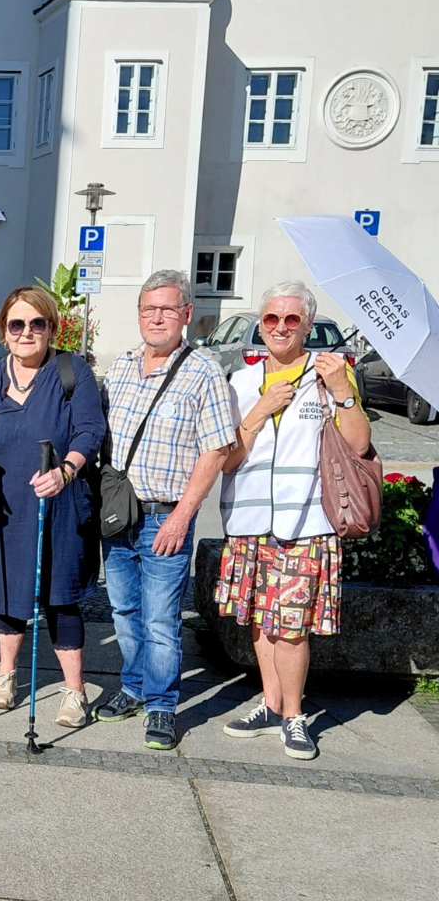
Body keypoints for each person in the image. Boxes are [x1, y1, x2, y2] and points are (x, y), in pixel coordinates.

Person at [216, 281, 370, 761]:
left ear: (306, 325)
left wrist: (343, 390)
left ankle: (293, 716)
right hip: (248, 519)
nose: (280, 328)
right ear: (259, 324)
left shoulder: (329, 374)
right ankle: (270, 703)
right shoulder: (242, 381)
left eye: (292, 320)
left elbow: (360, 445)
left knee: (291, 627)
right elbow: (228, 459)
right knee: (262, 622)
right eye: (271, 319)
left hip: (306, 521)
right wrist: (259, 410)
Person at [0, 286, 105, 724]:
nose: (27, 332)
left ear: (52, 327)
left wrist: (65, 470)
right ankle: (7, 675)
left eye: (38, 323)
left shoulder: (73, 372)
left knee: (61, 597)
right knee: (5, 593)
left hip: (57, 506)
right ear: (4, 331)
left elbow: (90, 431)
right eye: (18, 324)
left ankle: (74, 691)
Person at [95, 269, 236, 750]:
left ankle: (161, 705)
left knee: (160, 619)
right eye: (148, 309)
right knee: (123, 611)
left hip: (164, 515)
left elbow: (216, 450)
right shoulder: (120, 367)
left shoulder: (204, 372)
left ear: (187, 315)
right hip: (119, 513)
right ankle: (133, 688)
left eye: (167, 309)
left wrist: (182, 516)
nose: (157, 317)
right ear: (138, 314)